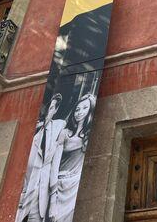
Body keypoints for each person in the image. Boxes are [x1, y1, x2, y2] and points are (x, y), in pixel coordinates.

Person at [16, 93, 65, 222]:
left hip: (40, 200)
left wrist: (53, 203)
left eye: (52, 108)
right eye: (47, 108)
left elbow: (54, 168)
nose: (48, 112)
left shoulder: (58, 127)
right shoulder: (32, 135)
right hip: (23, 199)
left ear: (55, 110)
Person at [48, 93, 96, 222]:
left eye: (85, 108)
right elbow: (54, 165)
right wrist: (52, 197)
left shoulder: (89, 136)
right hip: (57, 185)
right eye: (77, 109)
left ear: (91, 110)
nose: (79, 112)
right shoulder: (64, 134)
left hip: (74, 187)